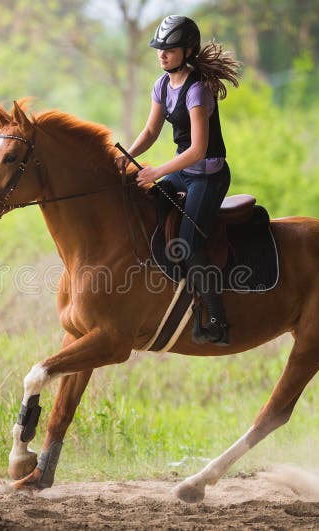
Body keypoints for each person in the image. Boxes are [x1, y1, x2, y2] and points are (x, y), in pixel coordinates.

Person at [116, 15, 240, 347]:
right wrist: (124, 155)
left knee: (190, 243)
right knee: (148, 205)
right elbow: (150, 131)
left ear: (187, 51)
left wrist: (157, 171)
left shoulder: (198, 89)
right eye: (159, 49)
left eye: (169, 49)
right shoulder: (161, 85)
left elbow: (198, 149)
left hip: (208, 174)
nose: (162, 55)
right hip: (183, 170)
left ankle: (217, 319)